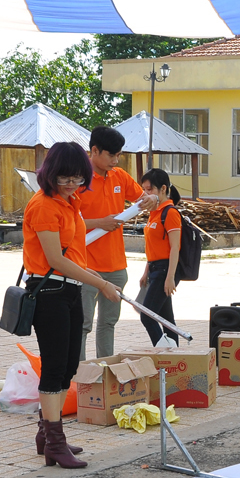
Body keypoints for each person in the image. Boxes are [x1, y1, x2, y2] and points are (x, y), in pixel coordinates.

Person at [23, 142, 122, 468]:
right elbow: (55, 260)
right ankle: (55, 441)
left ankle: (46, 433)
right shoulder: (43, 207)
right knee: (54, 369)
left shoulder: (70, 202)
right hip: (49, 292)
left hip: (70, 290)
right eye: (63, 178)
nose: (70, 184)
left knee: (67, 366)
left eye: (77, 178)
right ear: (49, 174)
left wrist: (95, 277)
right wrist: (102, 283)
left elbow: (74, 256)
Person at [76, 126, 155, 359]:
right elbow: (68, 223)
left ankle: (104, 368)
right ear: (94, 150)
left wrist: (150, 199)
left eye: (118, 155)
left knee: (108, 323)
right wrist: (101, 222)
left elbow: (142, 198)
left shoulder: (119, 176)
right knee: (83, 325)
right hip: (85, 266)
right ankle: (79, 375)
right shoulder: (77, 180)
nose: (115, 160)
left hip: (116, 265)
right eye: (111, 155)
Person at [139, 169, 183, 347]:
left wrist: (170, 277)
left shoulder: (170, 213)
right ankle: (175, 358)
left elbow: (175, 248)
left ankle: (165, 354)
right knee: (167, 320)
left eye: (149, 190)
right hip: (155, 269)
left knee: (147, 315)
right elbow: (153, 246)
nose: (145, 194)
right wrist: (146, 272)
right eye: (144, 190)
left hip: (165, 269)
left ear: (163, 188)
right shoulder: (154, 212)